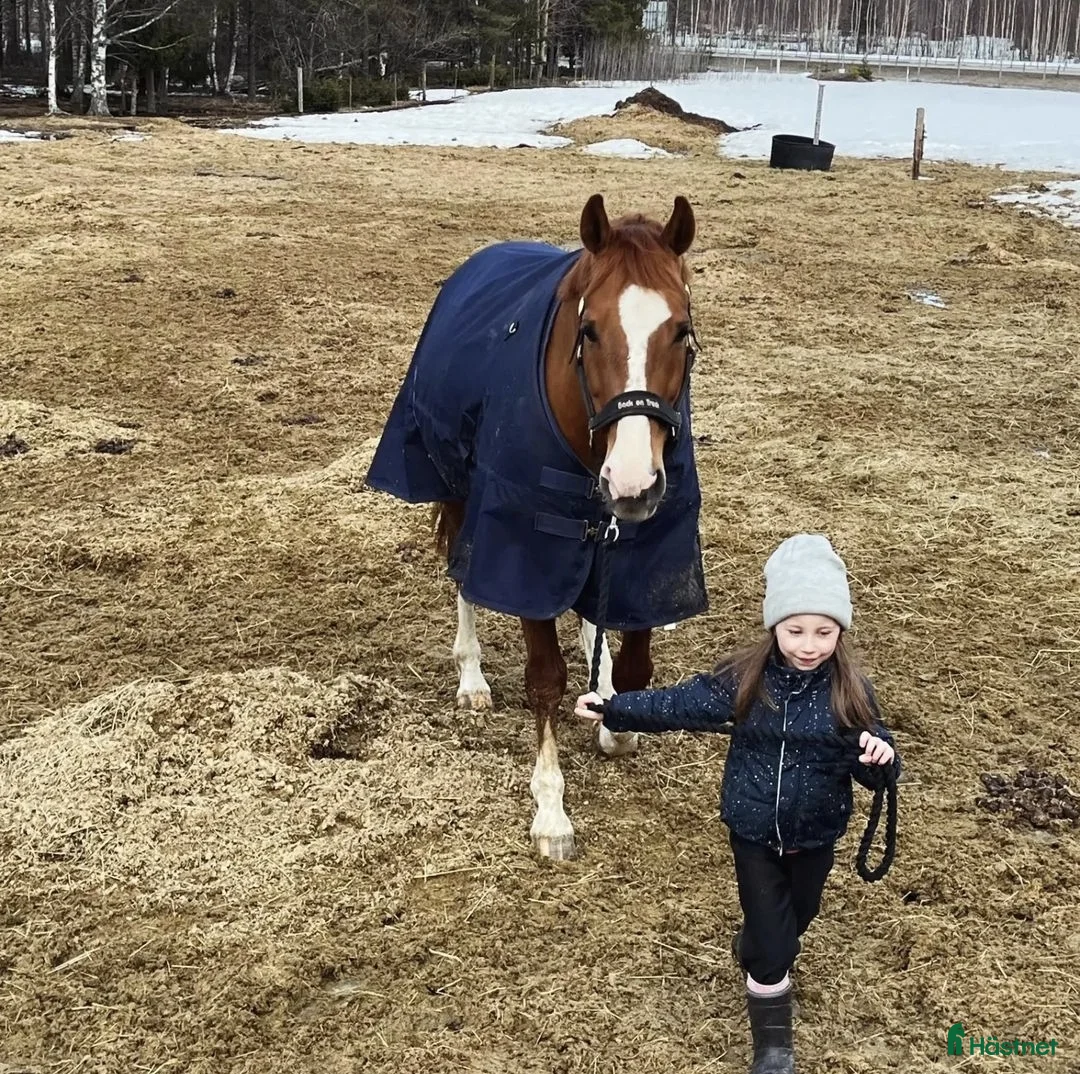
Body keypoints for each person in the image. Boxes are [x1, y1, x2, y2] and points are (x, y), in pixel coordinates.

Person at [575, 533, 901, 1074]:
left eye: (824, 631)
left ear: (841, 630)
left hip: (816, 832)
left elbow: (880, 764)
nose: (809, 643)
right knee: (775, 949)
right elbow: (680, 703)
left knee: (796, 918)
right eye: (795, 629)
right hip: (752, 830)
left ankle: (757, 948)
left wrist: (878, 757)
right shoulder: (744, 677)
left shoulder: (851, 690)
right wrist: (616, 708)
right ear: (774, 625)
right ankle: (773, 1047)